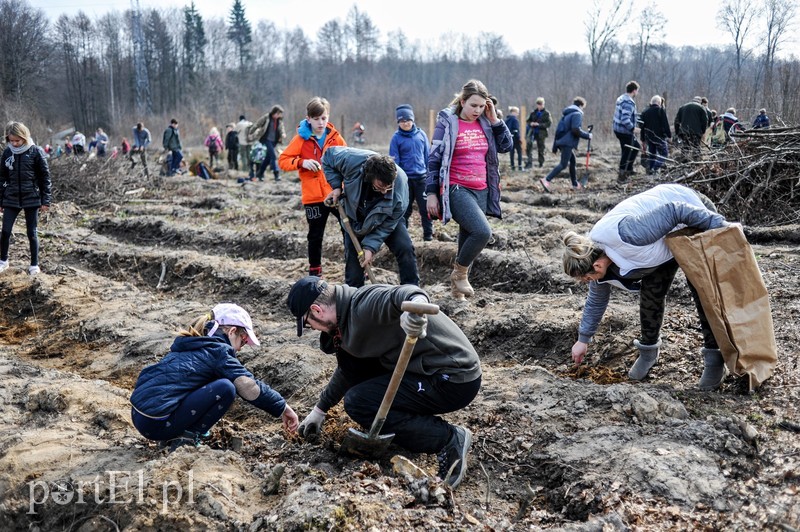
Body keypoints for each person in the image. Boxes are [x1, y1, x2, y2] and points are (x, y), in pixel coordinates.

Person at [287, 276, 481, 489]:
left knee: (359, 402)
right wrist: (320, 410)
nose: (314, 329)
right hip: (426, 373)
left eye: (308, 323)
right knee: (363, 388)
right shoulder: (345, 323)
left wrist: (414, 311)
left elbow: (407, 291)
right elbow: (350, 371)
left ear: (316, 310)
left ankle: (449, 438)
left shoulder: (363, 304)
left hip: (453, 377)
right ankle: (407, 430)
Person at [562, 184, 734, 390]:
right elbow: (596, 301)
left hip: (691, 215)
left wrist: (723, 227)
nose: (587, 283)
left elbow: (676, 210)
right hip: (661, 244)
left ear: (596, 266)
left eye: (585, 279)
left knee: (702, 291)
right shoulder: (597, 260)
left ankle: (715, 359)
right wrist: (583, 339)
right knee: (651, 292)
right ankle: (648, 352)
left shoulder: (628, 234)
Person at [130, 303, 299, 449]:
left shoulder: (191, 344)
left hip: (140, 416)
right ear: (232, 331)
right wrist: (283, 408)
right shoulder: (219, 352)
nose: (241, 348)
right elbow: (249, 386)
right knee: (226, 388)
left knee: (208, 383)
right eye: (243, 340)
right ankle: (186, 438)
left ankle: (171, 435)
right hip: (157, 422)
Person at [426, 79, 512, 300]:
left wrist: (495, 120)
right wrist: (432, 193)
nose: (477, 110)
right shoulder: (448, 122)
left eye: (482, 106)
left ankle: (457, 294)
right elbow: (434, 159)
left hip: (481, 189)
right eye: (473, 105)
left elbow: (507, 146)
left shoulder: (486, 123)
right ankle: (459, 275)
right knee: (482, 232)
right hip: (457, 188)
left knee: (467, 239)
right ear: (462, 101)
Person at [323, 146, 419, 288]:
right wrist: (336, 187)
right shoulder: (352, 161)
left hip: (386, 219)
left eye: (389, 186)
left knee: (405, 248)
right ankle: (355, 297)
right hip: (355, 219)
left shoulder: (400, 187)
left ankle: (412, 292)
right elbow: (328, 157)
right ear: (371, 176)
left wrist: (370, 247)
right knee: (354, 266)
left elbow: (390, 223)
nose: (385, 190)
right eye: (381, 186)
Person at [279, 96, 347, 277]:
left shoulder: (336, 138)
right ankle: (315, 272)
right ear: (308, 119)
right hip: (313, 196)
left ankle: (355, 266)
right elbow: (283, 161)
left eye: (324, 118)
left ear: (328, 117)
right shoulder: (300, 139)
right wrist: (302, 162)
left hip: (336, 192)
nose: (320, 122)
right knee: (315, 235)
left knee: (348, 229)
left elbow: (347, 160)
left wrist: (342, 185)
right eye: (316, 119)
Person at [0, 122, 52, 276]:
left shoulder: (35, 152)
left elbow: (45, 176)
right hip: (11, 197)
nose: (14, 144)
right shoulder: (7, 153)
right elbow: (2, 177)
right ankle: (3, 261)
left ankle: (34, 265)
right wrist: (1, 200)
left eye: (17, 141)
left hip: (32, 197)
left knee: (32, 232)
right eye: (11, 141)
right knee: (5, 231)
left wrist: (45, 200)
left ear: (24, 137)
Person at [389, 104, 432, 242]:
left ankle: (428, 236)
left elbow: (428, 156)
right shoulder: (396, 139)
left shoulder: (421, 135)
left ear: (412, 120)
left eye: (407, 120)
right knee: (405, 210)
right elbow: (395, 162)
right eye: (402, 121)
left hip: (422, 179)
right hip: (406, 181)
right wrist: (398, 180)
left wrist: (430, 174)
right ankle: (404, 237)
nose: (405, 123)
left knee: (425, 210)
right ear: (398, 123)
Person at [539, 97, 592, 193]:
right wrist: (587, 135)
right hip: (567, 143)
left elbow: (558, 131)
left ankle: (575, 184)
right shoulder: (577, 114)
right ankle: (546, 179)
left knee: (573, 161)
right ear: (581, 106)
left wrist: (555, 146)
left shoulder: (566, 115)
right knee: (563, 164)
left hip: (562, 142)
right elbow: (575, 129)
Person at [612, 81, 640, 183]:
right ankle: (623, 173)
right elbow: (625, 119)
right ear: (634, 90)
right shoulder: (629, 102)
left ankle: (627, 170)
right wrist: (633, 128)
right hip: (624, 131)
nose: (637, 93)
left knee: (627, 149)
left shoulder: (621, 98)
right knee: (633, 148)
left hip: (617, 129)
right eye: (637, 91)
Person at [250, 106, 285, 181]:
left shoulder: (279, 120)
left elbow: (281, 129)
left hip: (274, 141)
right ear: (274, 112)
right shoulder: (267, 117)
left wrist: (283, 135)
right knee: (273, 155)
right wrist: (251, 131)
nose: (279, 115)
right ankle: (276, 174)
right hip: (266, 139)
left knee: (268, 158)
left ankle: (260, 173)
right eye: (278, 113)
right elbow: (258, 124)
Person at [639, 95, 672, 175]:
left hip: (649, 138)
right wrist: (669, 136)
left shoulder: (645, 112)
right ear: (659, 103)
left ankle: (651, 172)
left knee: (652, 155)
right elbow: (666, 125)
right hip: (659, 137)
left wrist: (643, 140)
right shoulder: (660, 111)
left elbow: (642, 128)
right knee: (664, 154)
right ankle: (655, 168)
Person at [525, 97, 552, 169]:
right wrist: (531, 123)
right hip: (532, 132)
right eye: (538, 104)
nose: (539, 106)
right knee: (529, 146)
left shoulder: (546, 113)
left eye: (541, 104)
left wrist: (539, 125)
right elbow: (528, 121)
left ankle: (541, 163)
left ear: (543, 104)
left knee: (541, 148)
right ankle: (529, 162)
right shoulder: (533, 113)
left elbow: (549, 123)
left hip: (541, 133)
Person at [505, 106, 522, 171]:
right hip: (515, 138)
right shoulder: (515, 120)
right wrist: (519, 138)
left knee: (511, 152)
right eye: (517, 113)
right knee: (519, 152)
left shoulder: (506, 120)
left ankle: (512, 166)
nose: (517, 114)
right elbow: (516, 130)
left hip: (509, 138)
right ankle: (520, 166)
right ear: (513, 112)